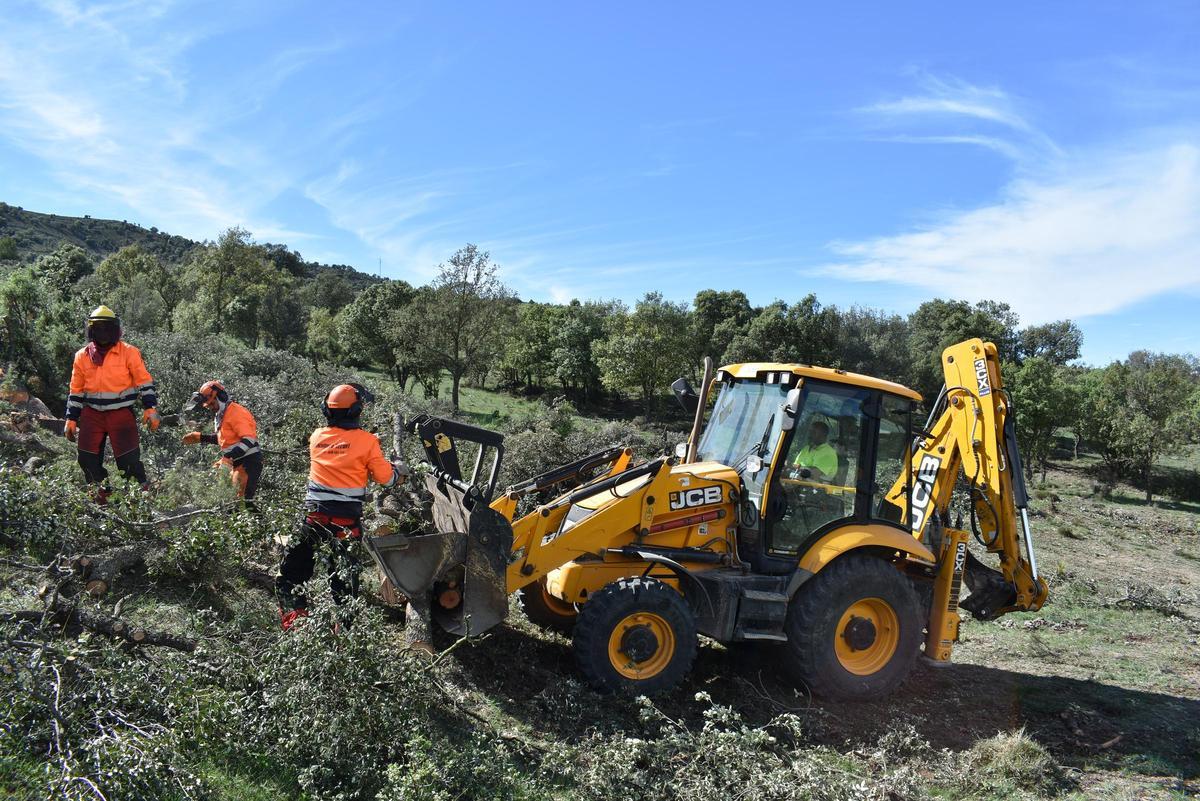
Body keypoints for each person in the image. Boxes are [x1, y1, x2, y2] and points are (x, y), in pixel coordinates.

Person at [275, 383, 407, 630]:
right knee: (345, 583)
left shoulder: (316, 437)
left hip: (313, 517)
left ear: (327, 410)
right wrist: (399, 473)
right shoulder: (367, 442)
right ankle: (343, 633)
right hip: (345, 524)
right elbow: (385, 478)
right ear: (357, 411)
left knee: (291, 573)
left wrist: (367, 445)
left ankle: (295, 623)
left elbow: (342, 448)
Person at [64, 306, 161, 503]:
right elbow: (76, 390)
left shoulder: (129, 352)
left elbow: (145, 382)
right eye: (97, 327)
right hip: (92, 414)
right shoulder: (82, 356)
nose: (102, 332)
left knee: (129, 462)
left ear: (115, 329)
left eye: (106, 327)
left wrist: (151, 409)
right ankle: (102, 502)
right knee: (86, 459)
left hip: (121, 414)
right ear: (91, 329)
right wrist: (71, 419)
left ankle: (140, 504)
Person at [181, 381, 263, 500]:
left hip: (249, 462)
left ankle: (257, 518)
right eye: (208, 405)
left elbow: (249, 439)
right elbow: (224, 439)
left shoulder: (236, 412)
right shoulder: (221, 415)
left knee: (241, 502)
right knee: (223, 494)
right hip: (237, 462)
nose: (210, 407)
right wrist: (201, 437)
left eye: (211, 403)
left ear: (219, 397)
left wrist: (229, 457)